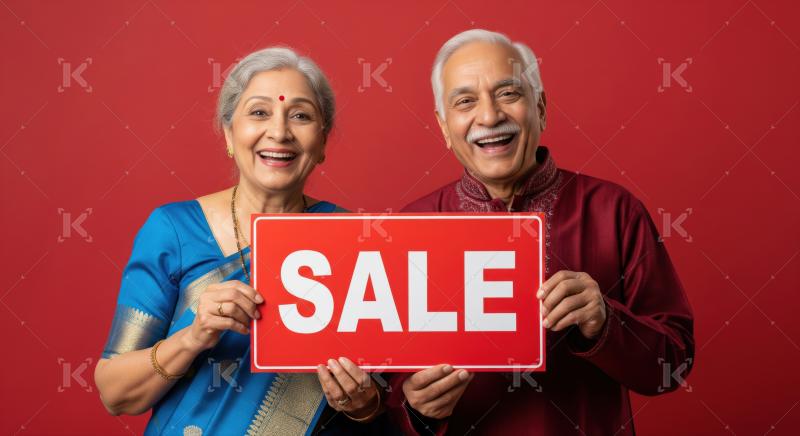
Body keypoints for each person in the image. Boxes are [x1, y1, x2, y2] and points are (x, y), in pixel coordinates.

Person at [385, 29, 695, 435]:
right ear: (444, 127)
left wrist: (605, 322)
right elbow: (381, 397)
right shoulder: (410, 227)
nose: (490, 116)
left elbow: (673, 367)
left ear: (542, 108)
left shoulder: (614, 211)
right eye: (465, 102)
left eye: (508, 94)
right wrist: (416, 410)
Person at [94, 47, 391, 435]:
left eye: (300, 115)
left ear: (321, 144)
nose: (280, 132)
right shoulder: (173, 229)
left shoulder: (354, 239)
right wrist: (194, 337)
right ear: (229, 133)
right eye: (259, 112)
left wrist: (364, 406)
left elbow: (385, 394)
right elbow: (115, 394)